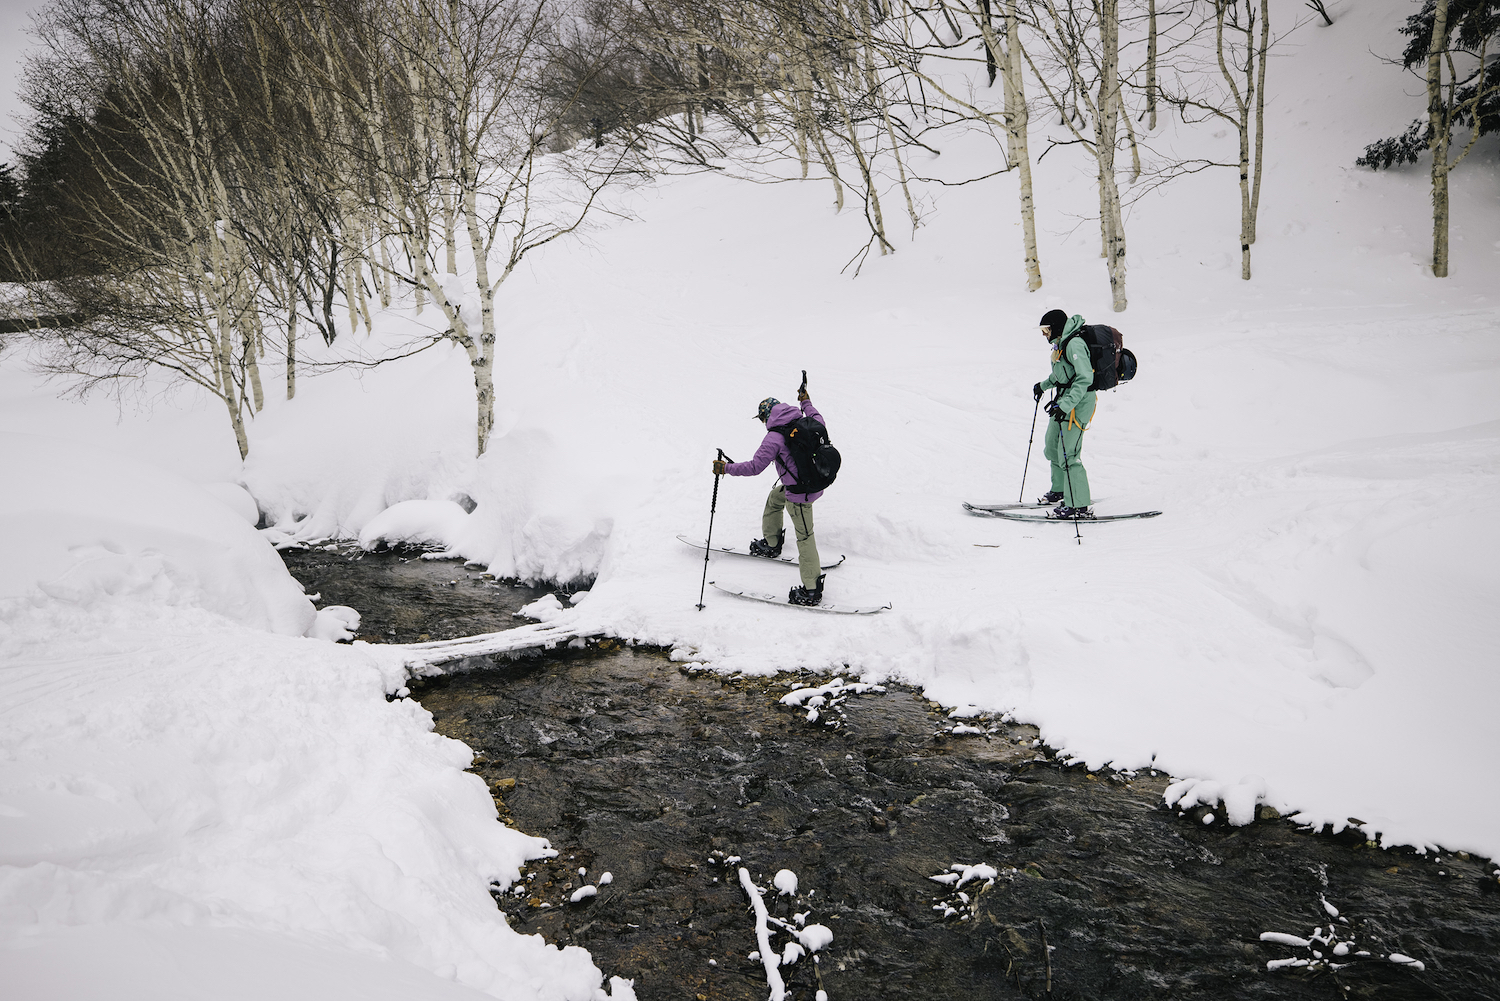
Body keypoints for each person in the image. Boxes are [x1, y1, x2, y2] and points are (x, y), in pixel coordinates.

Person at [711, 388, 827, 605]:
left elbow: (755, 467)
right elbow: (817, 416)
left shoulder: (774, 437)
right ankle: (772, 543)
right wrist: (806, 401)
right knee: (775, 498)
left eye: (762, 418)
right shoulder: (806, 421)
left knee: (805, 537)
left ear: (766, 416)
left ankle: (811, 590)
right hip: (811, 482)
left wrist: (726, 468)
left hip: (800, 494)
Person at [1031, 308, 1096, 519]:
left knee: (1069, 454)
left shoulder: (1074, 344)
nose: (1043, 334)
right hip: (1064, 401)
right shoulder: (1061, 344)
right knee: (1052, 447)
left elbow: (1085, 378)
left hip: (1078, 403)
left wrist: (1066, 404)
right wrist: (1043, 385)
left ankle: (1078, 505)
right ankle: (1059, 489)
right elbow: (1062, 374)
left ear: (1056, 328)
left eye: (1045, 329)